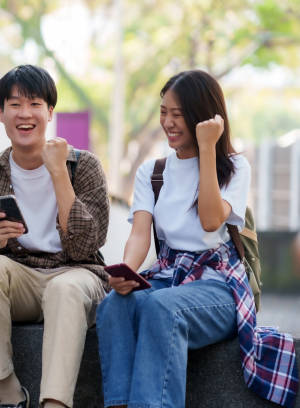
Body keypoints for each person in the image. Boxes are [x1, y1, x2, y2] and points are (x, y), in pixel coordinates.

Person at [96, 70, 298, 408]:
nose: (168, 122)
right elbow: (139, 235)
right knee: (114, 306)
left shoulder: (234, 167)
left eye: (178, 114)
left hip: (218, 286)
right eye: (164, 112)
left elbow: (209, 220)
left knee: (162, 308)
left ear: (203, 116)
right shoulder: (152, 172)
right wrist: (126, 273)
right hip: (168, 277)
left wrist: (207, 148)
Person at [0, 65, 110, 408]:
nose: (25, 114)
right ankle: (8, 391)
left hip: (76, 277)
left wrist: (58, 174)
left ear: (50, 111)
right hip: (21, 284)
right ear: (0, 113)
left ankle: (54, 403)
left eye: (35, 104)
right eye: (14, 105)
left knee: (64, 287)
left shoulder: (83, 166)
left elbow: (87, 246)